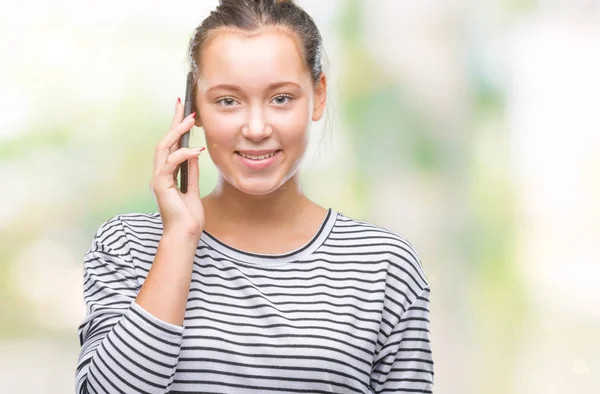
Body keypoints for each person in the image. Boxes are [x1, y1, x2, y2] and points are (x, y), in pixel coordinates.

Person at [75, 0, 433, 393]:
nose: (257, 127)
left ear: (319, 95)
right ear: (196, 105)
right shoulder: (129, 246)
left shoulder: (383, 264)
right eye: (228, 101)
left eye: (281, 98)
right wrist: (179, 238)